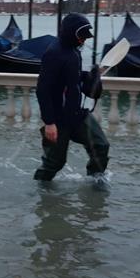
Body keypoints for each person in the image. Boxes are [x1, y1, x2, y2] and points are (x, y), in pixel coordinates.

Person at [34, 13, 110, 185]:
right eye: (81, 36)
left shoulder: (73, 51)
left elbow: (70, 77)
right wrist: (49, 122)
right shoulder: (53, 53)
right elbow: (42, 90)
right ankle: (41, 193)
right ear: (70, 33)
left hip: (77, 115)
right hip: (58, 119)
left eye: (85, 37)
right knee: (54, 163)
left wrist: (89, 76)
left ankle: (95, 181)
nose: (83, 41)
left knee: (101, 145)